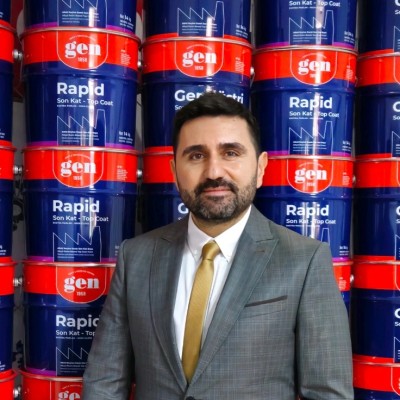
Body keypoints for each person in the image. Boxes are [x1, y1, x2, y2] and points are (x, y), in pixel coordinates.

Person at [82, 92, 353, 399]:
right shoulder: (136, 257)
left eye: (231, 153)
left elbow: (328, 394)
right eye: (196, 156)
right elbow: (105, 381)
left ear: (260, 167)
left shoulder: (305, 261)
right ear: (174, 171)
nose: (214, 172)